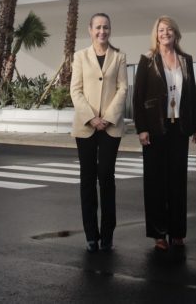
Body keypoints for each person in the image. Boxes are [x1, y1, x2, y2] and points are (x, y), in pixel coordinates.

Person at [133, 16, 196, 251]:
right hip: (154, 128)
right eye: (161, 30)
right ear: (156, 34)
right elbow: (138, 97)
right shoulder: (147, 60)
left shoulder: (185, 60)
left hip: (179, 128)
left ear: (176, 33)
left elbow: (191, 94)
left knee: (177, 182)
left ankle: (177, 232)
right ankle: (158, 233)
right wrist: (141, 128)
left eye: (169, 29)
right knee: (155, 182)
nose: (165, 33)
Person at [70, 13, 128, 253]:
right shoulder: (80, 56)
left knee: (106, 177)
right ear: (90, 30)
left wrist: (107, 118)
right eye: (98, 28)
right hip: (86, 126)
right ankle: (90, 234)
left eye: (106, 27)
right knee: (87, 179)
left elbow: (123, 88)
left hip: (110, 127)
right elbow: (76, 90)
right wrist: (91, 117)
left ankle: (107, 234)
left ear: (110, 29)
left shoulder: (119, 57)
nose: (102, 32)